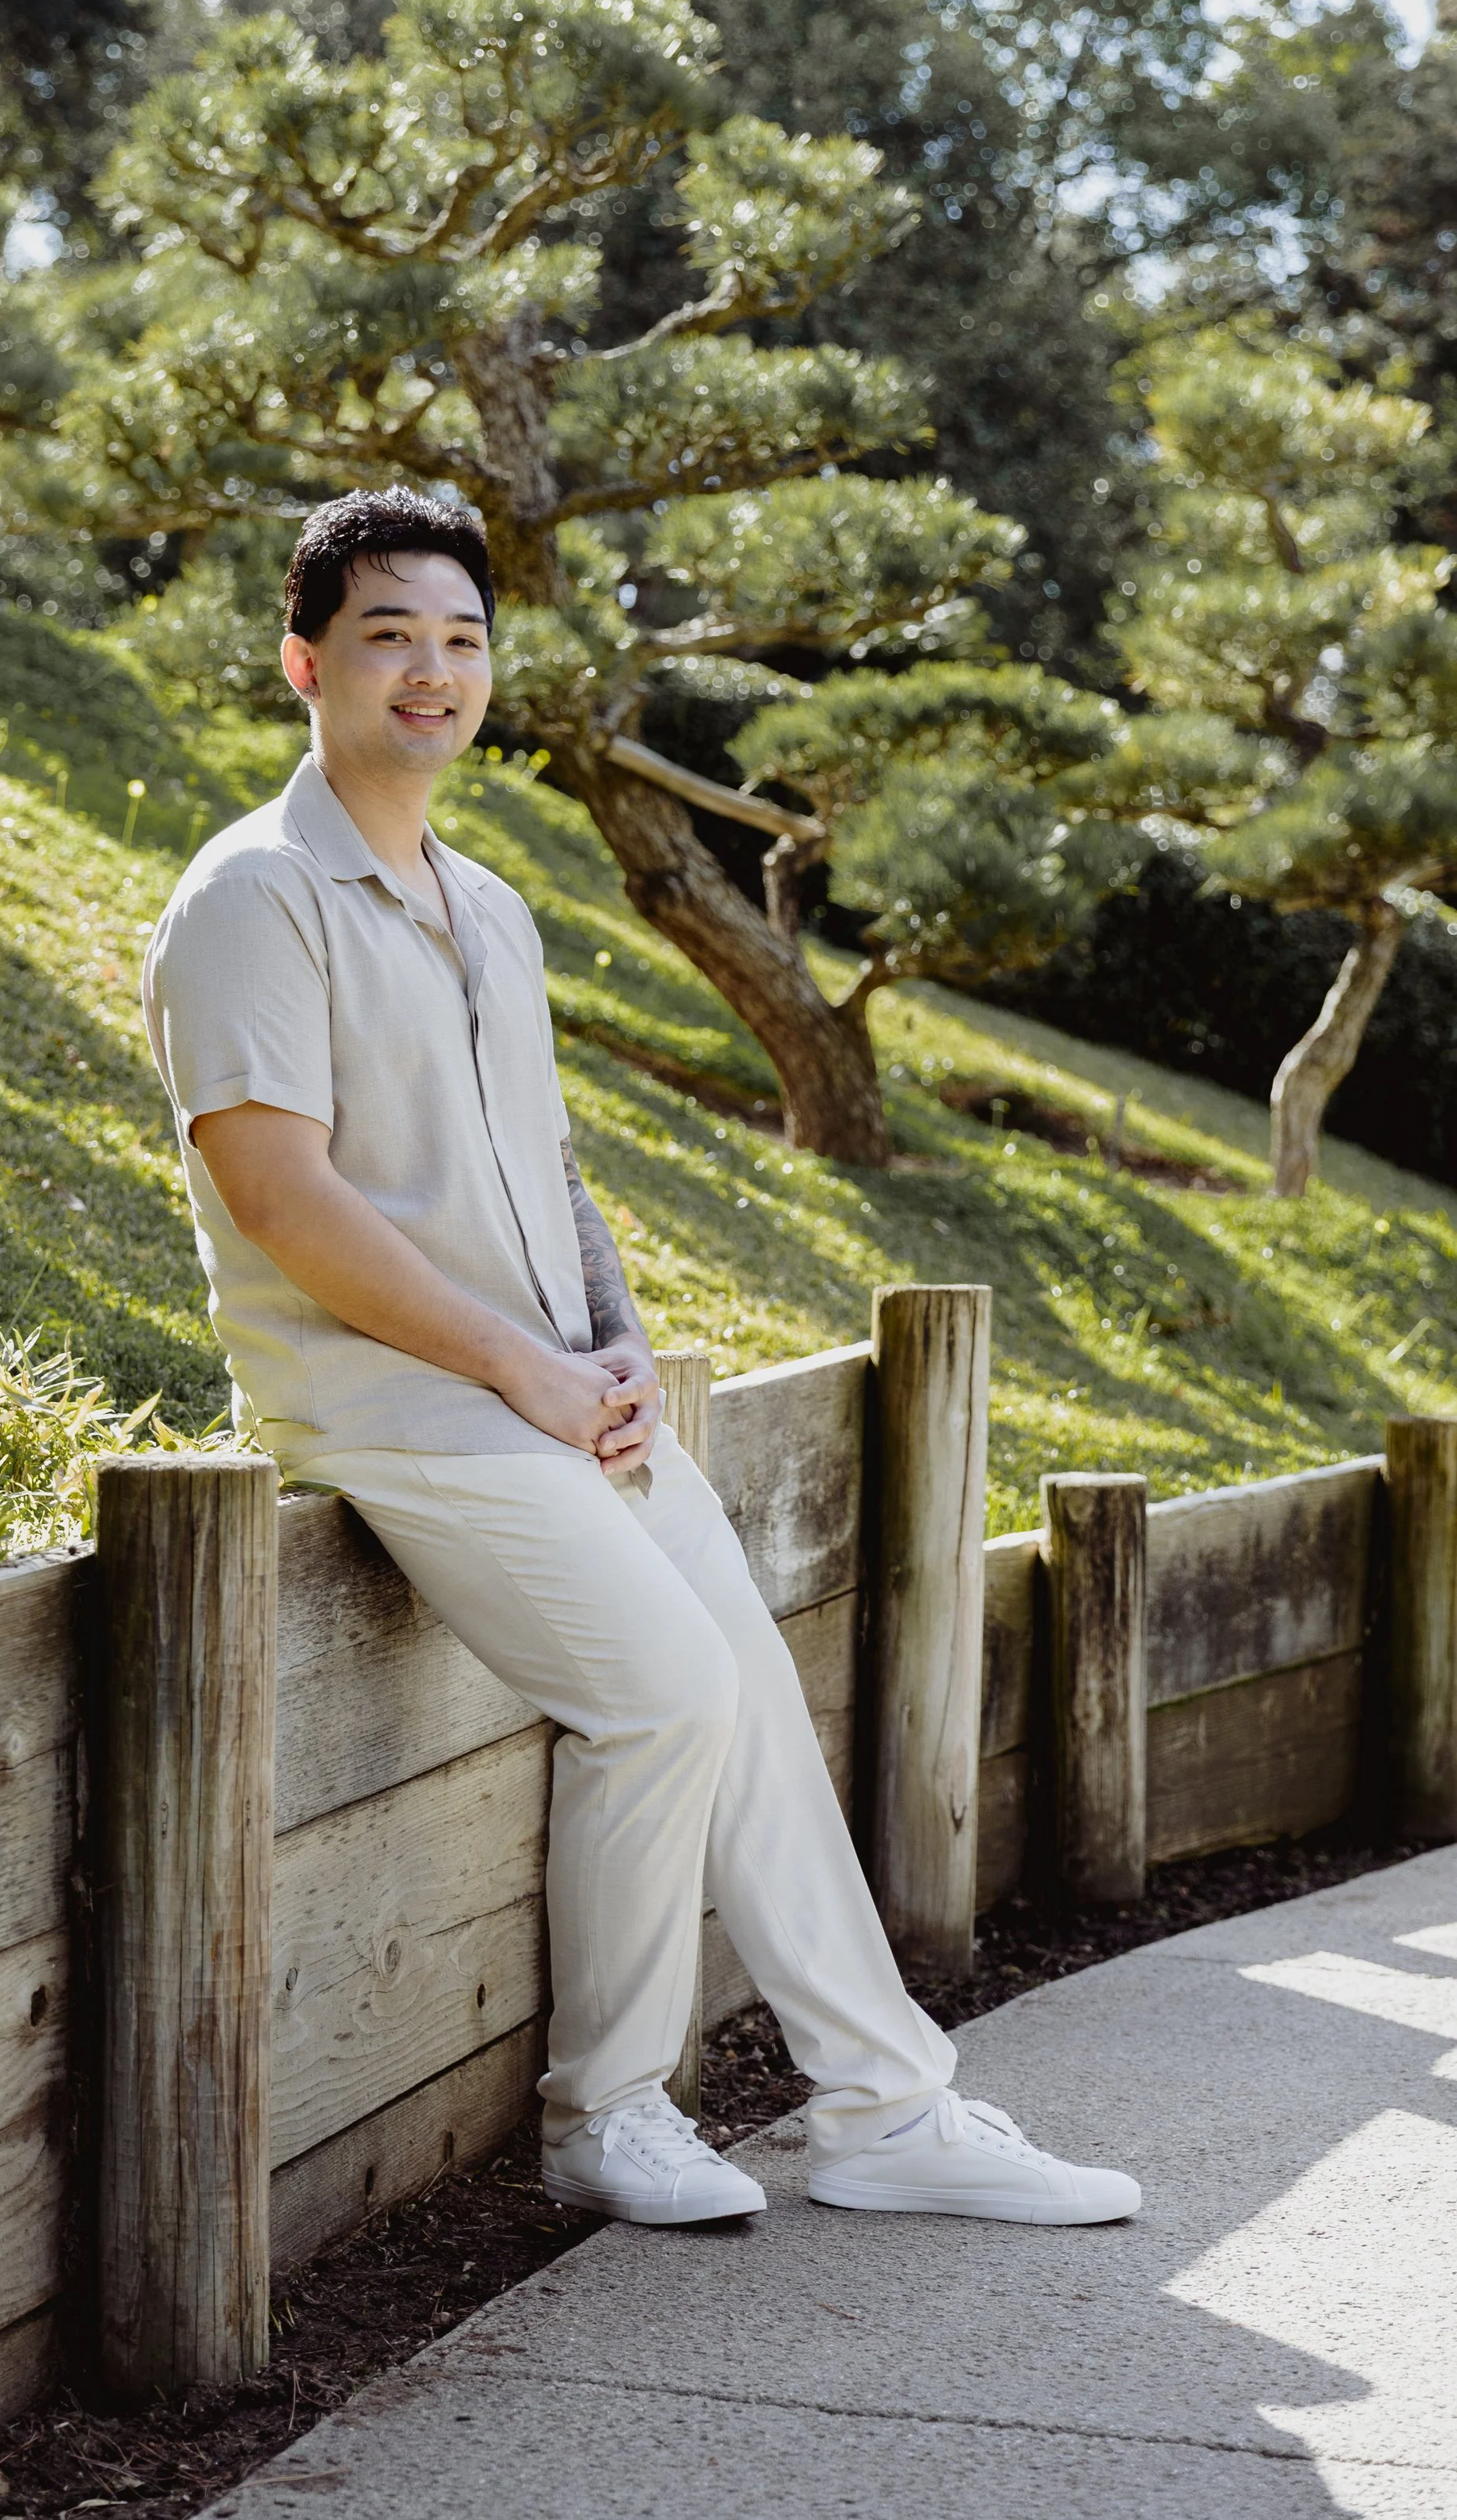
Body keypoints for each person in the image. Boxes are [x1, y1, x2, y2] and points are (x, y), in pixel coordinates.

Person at [141, 484, 1141, 2233]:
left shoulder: (491, 908)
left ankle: (883, 2109)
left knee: (746, 1695)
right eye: (388, 636)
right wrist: (522, 1375)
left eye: (461, 640)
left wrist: (609, 1345)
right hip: (390, 1408)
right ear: (306, 662)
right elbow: (278, 1196)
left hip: (548, 1398)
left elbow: (549, 1168)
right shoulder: (248, 898)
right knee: (662, 1698)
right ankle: (603, 2113)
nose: (430, 672)